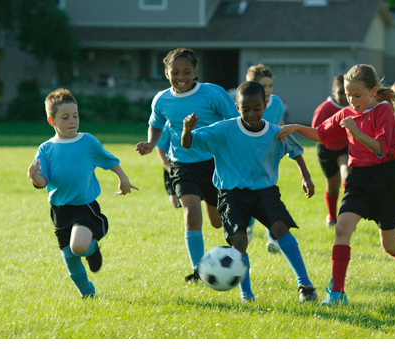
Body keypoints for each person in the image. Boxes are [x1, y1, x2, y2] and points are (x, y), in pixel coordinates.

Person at [276, 64, 395, 305]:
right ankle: (337, 292)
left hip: (385, 179)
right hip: (357, 180)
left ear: (373, 91)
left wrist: (356, 132)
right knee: (342, 228)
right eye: (348, 95)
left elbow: (381, 149)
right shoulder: (346, 113)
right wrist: (296, 128)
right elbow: (322, 134)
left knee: (389, 245)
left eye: (358, 95)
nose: (352, 100)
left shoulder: (383, 111)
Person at [182, 81, 318, 303]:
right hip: (231, 193)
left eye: (257, 108)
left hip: (264, 191)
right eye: (245, 109)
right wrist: (187, 130)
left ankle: (305, 285)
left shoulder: (275, 132)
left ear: (265, 105)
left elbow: (295, 151)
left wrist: (306, 176)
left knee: (280, 227)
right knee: (239, 239)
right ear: (237, 107)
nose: (251, 113)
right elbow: (188, 143)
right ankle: (247, 295)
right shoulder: (223, 129)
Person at [135, 48, 239, 282]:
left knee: (216, 222)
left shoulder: (212, 93)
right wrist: (151, 143)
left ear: (195, 72)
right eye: (175, 72)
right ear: (166, 72)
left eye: (186, 71)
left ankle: (243, 225)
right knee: (192, 216)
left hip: (214, 162)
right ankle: (199, 271)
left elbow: (233, 121)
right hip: (182, 164)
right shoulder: (162, 99)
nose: (181, 76)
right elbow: (156, 123)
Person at [27, 88, 138, 298]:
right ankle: (88, 295)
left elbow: (109, 160)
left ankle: (92, 248)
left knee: (78, 246)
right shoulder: (46, 149)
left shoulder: (87, 141)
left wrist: (123, 178)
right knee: (70, 259)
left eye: (75, 116)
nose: (72, 121)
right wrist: (34, 176)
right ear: (52, 121)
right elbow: (42, 182)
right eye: (65, 117)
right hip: (60, 211)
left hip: (84, 207)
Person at [245, 63, 285, 253]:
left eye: (270, 85)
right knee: (250, 195)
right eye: (264, 86)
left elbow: (278, 124)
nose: (268, 90)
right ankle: (248, 225)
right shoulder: (245, 104)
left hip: (268, 158)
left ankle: (272, 237)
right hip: (246, 158)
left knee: (268, 195)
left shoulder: (276, 103)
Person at [311, 75, 351, 227]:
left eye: (347, 93)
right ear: (333, 91)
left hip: (346, 147)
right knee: (332, 187)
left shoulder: (354, 106)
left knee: (347, 177)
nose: (344, 97)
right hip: (326, 148)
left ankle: (346, 218)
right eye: (340, 93)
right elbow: (315, 131)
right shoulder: (324, 109)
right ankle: (332, 218)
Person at [156, 121, 180, 208]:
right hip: (172, 162)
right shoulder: (168, 125)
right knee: (175, 204)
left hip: (191, 162)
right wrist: (166, 164)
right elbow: (160, 146)